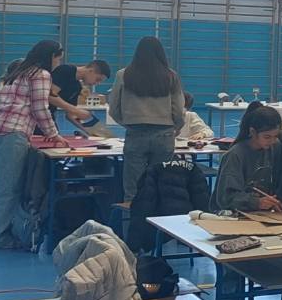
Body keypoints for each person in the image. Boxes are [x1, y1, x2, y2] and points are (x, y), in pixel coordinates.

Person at [0, 40, 65, 249]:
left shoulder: (17, 72)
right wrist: (54, 134)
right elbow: (40, 108)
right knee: (6, 189)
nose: (58, 63)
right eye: (58, 59)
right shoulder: (41, 74)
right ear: (51, 56)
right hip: (12, 134)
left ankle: (3, 230)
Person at [108, 35, 186, 200]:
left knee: (133, 188)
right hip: (164, 134)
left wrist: (127, 122)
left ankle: (132, 216)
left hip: (135, 132)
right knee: (161, 184)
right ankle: (159, 216)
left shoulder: (123, 75)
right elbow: (179, 109)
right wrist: (176, 126)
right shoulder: (171, 76)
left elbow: (113, 107)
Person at [212, 103, 282, 214]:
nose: (272, 141)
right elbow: (226, 197)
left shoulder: (276, 147)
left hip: (263, 214)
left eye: (276, 136)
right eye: (267, 137)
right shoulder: (235, 155)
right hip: (233, 216)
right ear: (253, 132)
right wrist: (256, 202)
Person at [50, 57, 111, 133]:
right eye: (97, 79)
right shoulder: (65, 70)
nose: (97, 83)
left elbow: (71, 115)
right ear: (91, 70)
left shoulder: (77, 87)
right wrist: (76, 110)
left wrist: (92, 130)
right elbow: (50, 95)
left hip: (49, 117)